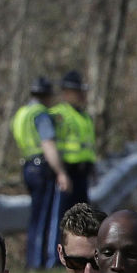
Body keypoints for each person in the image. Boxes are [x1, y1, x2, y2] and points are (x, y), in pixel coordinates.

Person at [12, 76, 69, 270]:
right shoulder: (41, 114)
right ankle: (42, 262)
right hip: (42, 167)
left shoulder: (22, 113)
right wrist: (61, 172)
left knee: (35, 217)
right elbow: (48, 145)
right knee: (47, 217)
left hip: (27, 165)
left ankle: (32, 260)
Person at [47, 71, 96, 208]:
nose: (81, 94)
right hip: (67, 172)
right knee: (65, 215)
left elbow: (88, 145)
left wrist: (92, 166)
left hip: (83, 173)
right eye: (77, 91)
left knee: (83, 215)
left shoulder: (84, 116)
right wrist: (60, 172)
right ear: (66, 92)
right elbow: (50, 144)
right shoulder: (58, 114)